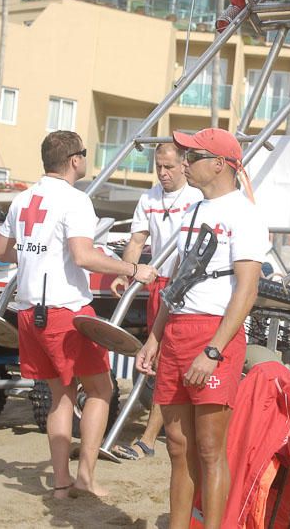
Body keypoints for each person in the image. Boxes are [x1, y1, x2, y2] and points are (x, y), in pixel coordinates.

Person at [0, 131, 156, 499]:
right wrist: (132, 270)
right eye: (83, 154)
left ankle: (61, 483)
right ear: (74, 160)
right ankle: (84, 478)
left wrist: (40, 254)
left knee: (60, 396)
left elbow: (1, 251)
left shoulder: (23, 198)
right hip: (65, 311)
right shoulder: (75, 200)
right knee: (100, 389)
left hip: (29, 309)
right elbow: (83, 256)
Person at [136, 128, 269, 529]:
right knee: (177, 445)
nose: (185, 163)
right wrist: (154, 337)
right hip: (177, 329)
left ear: (220, 164)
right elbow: (178, 282)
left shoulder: (244, 214)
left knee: (210, 447)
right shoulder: (194, 210)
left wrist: (213, 350)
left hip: (214, 334)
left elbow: (247, 291)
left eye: (193, 156)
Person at [110, 142, 202, 460]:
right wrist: (126, 273)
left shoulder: (196, 198)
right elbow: (137, 240)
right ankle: (156, 433)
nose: (163, 173)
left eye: (169, 167)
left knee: (167, 360)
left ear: (184, 165)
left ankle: (149, 438)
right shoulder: (149, 197)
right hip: (158, 282)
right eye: (158, 166)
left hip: (185, 285)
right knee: (157, 359)